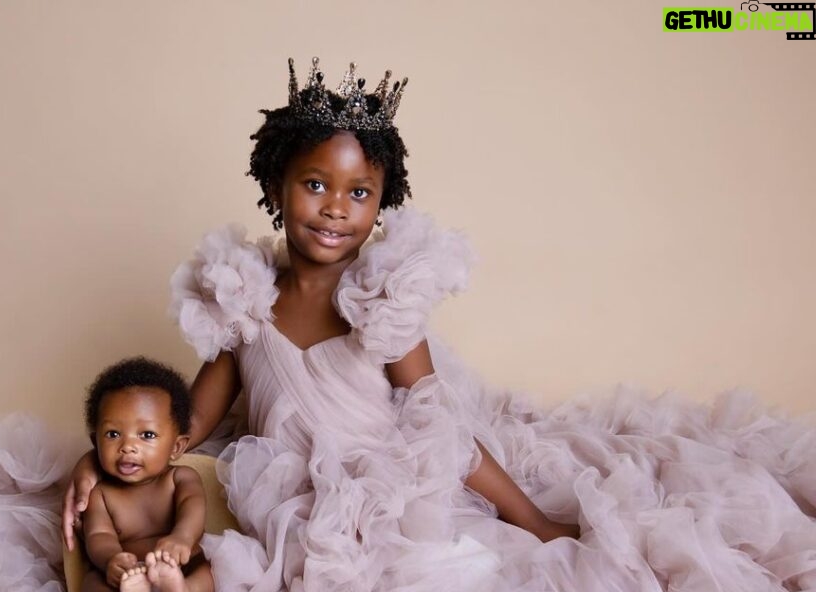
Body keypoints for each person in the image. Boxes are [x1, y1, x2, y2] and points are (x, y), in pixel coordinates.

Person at [62, 58, 577, 551]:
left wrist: (532, 521)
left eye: (359, 192)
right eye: (315, 184)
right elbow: (186, 425)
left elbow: (440, 429)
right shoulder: (244, 301)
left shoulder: (382, 302)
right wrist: (101, 464)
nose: (335, 207)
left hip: (380, 505)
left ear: (380, 205)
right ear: (275, 188)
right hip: (283, 513)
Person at [78, 356, 215, 592]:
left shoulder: (181, 479)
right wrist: (111, 560)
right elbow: (98, 535)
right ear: (95, 442)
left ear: (177, 447)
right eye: (113, 434)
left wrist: (181, 538)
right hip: (131, 575)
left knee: (216, 567)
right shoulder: (101, 494)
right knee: (90, 586)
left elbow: (193, 510)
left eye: (147, 435)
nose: (128, 446)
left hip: (179, 564)